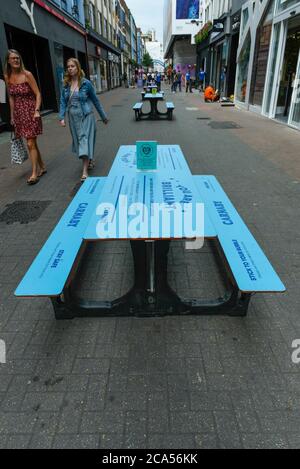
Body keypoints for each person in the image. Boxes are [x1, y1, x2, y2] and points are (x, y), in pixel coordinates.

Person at [59, 58, 108, 182]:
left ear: (78, 67)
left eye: (72, 66)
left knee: (84, 140)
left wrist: (103, 116)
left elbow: (95, 100)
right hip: (73, 117)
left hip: (86, 115)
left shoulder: (86, 83)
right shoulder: (66, 85)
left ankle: (85, 171)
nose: (70, 68)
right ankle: (90, 160)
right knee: (80, 141)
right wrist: (61, 117)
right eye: (68, 66)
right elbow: (63, 101)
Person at [4, 49, 45, 185]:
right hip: (19, 115)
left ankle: (34, 173)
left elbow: (38, 94)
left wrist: (37, 110)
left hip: (31, 112)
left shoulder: (27, 74)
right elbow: (10, 98)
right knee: (32, 142)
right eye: (13, 58)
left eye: (18, 58)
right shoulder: (6, 76)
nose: (16, 60)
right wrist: (12, 116)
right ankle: (42, 166)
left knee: (30, 143)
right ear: (8, 61)